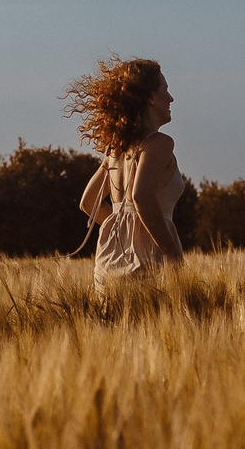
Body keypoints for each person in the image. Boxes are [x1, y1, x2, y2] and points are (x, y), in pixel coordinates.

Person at [67, 56, 186, 285]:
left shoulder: (116, 150)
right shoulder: (159, 143)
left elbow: (88, 202)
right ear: (151, 97)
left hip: (108, 263)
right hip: (148, 264)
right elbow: (140, 196)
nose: (171, 98)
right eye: (165, 90)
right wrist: (174, 257)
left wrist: (120, 231)